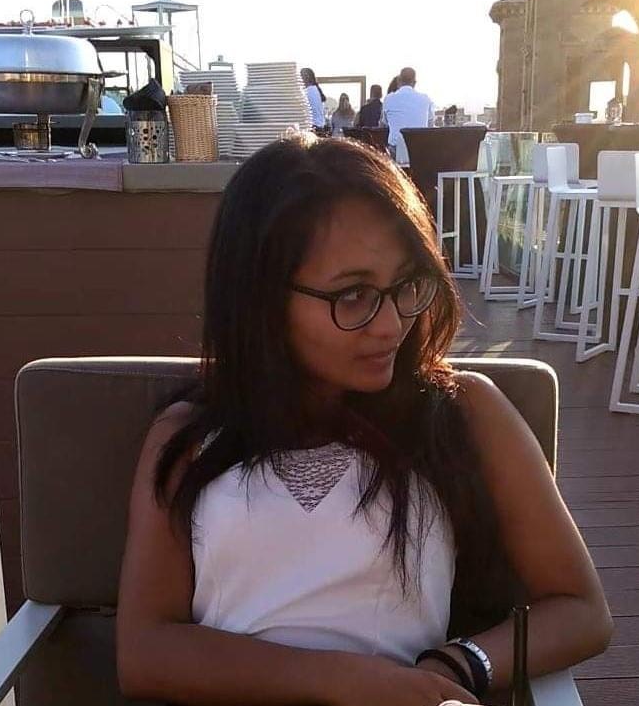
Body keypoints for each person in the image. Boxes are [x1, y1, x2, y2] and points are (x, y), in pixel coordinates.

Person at [116, 135, 612, 706]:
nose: (391, 325)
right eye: (353, 295)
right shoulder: (190, 439)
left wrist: (457, 665)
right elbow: (145, 652)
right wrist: (343, 681)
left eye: (406, 285)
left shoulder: (463, 412)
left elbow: (581, 609)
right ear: (261, 297)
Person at [381, 67, 435, 162]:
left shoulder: (389, 99)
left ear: (399, 80)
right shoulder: (425, 99)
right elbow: (430, 126)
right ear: (414, 83)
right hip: (419, 148)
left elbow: (384, 123)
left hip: (396, 150)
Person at [301, 67, 328, 133]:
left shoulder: (307, 91)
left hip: (313, 127)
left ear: (307, 77)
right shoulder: (316, 89)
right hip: (320, 126)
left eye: (301, 77)